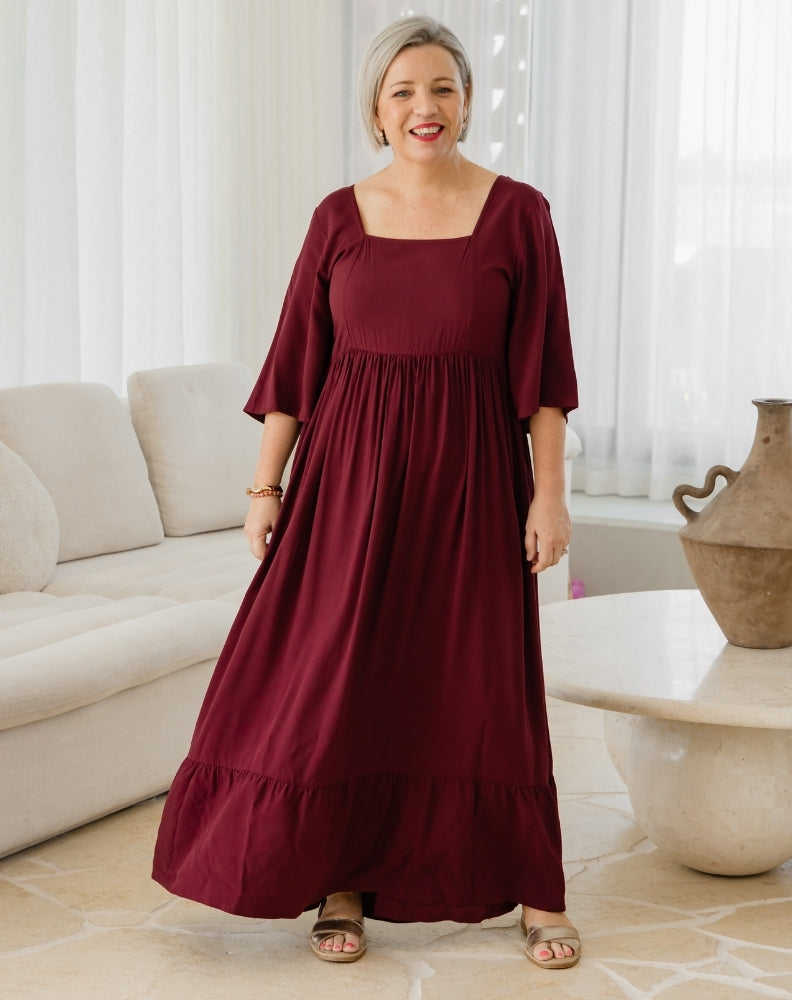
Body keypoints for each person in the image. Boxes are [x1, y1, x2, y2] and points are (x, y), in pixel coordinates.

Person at [152, 15, 580, 971]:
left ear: (468, 100)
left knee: (480, 680)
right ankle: (339, 881)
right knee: (340, 680)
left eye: (441, 89)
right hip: (346, 482)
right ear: (376, 111)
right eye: (402, 92)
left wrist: (549, 497)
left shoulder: (519, 213)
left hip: (470, 479)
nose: (423, 108)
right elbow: (298, 364)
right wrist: (266, 488)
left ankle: (536, 890)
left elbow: (545, 374)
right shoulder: (337, 218)